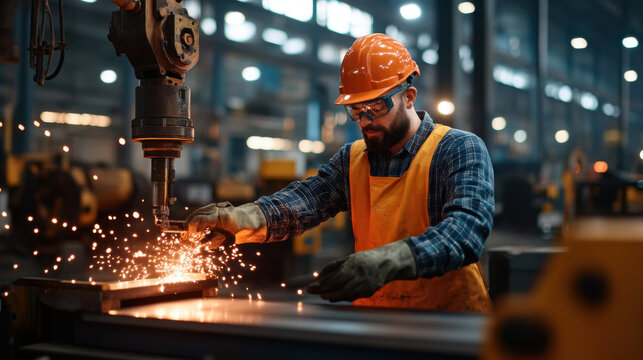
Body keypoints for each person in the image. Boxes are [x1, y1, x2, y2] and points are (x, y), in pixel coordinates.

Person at [186, 33, 494, 312]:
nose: (365, 120)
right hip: (375, 325)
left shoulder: (458, 149)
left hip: (451, 328)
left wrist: (390, 260)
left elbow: (465, 231)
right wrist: (242, 219)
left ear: (408, 97)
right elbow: (307, 200)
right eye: (356, 110)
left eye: (377, 107)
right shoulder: (354, 158)